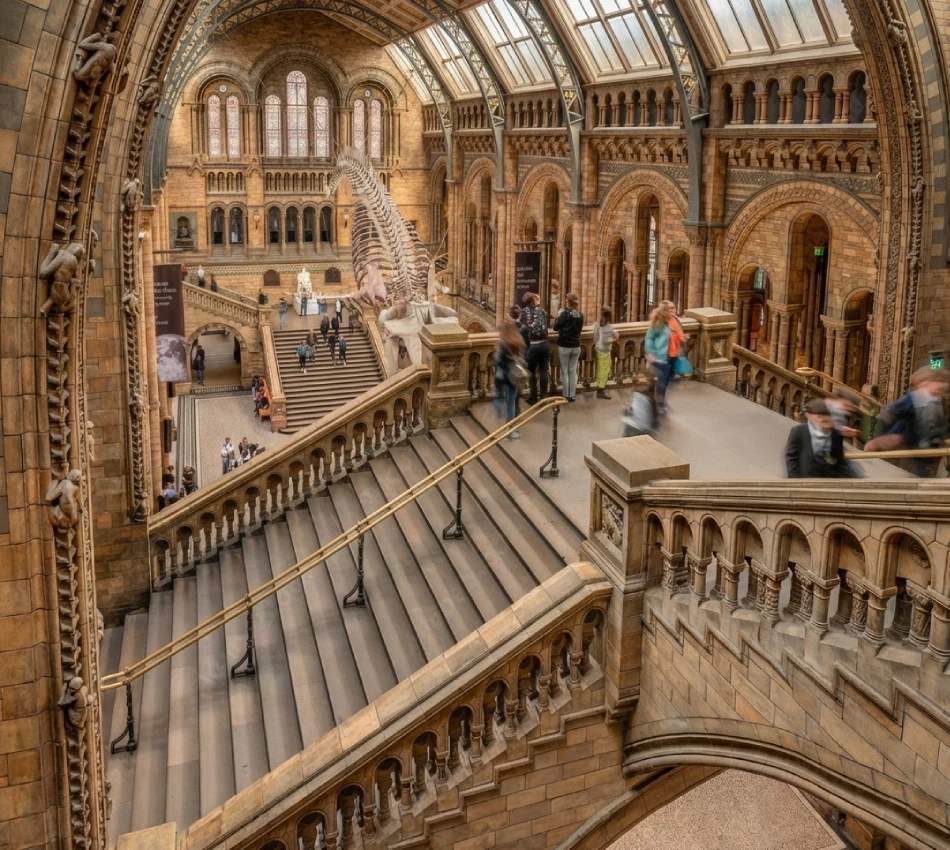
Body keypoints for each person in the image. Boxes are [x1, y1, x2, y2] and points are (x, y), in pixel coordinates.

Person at [868, 367, 950, 476]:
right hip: (906, 444)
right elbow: (887, 414)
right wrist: (883, 439)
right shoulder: (912, 398)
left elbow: (939, 426)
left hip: (926, 450)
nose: (941, 390)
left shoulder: (937, 403)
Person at [786, 398, 858, 478]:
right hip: (805, 478)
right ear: (810, 416)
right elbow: (792, 458)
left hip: (828, 479)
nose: (824, 419)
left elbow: (838, 460)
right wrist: (794, 479)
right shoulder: (799, 431)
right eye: (819, 416)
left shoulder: (835, 434)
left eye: (827, 416)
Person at [494, 320, 527, 439]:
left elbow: (497, 359)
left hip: (503, 374)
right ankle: (510, 428)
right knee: (512, 401)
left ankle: (499, 409)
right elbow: (522, 357)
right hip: (514, 376)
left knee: (498, 394)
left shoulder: (503, 342)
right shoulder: (518, 340)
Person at [644, 302, 678, 414]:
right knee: (662, 382)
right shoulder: (658, 324)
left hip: (668, 357)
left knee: (663, 381)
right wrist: (652, 353)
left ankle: (655, 400)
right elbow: (649, 338)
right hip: (659, 358)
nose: (672, 312)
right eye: (669, 310)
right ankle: (659, 404)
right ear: (664, 312)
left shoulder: (669, 323)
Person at [521, 292, 550, 404]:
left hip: (532, 346)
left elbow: (524, 331)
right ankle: (543, 398)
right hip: (545, 345)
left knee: (532, 372)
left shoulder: (524, 313)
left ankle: (533, 397)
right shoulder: (542, 311)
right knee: (543, 371)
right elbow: (545, 328)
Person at [554, 293, 583, 402]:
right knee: (573, 371)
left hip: (565, 345)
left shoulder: (564, 314)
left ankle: (565, 395)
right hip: (576, 345)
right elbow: (579, 329)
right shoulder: (580, 315)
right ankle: (572, 395)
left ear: (568, 302)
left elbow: (556, 328)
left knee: (565, 371)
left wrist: (559, 315)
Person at [593, 306, 618, 400]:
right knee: (604, 370)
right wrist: (615, 338)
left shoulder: (598, 323)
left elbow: (596, 336)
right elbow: (606, 340)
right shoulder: (607, 326)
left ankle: (600, 387)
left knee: (600, 369)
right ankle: (601, 390)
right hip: (604, 350)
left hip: (598, 348)